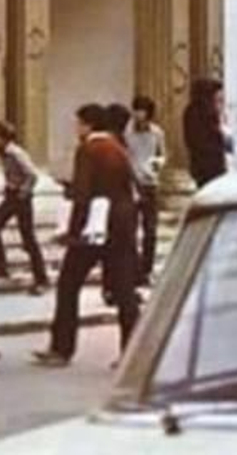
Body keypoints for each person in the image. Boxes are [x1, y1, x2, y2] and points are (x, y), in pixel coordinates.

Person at [34, 103, 140, 367]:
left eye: (78, 124)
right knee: (125, 291)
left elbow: (82, 193)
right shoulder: (119, 148)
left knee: (69, 284)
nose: (76, 129)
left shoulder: (88, 150)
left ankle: (62, 347)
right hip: (123, 225)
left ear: (88, 125)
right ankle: (133, 350)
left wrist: (72, 231)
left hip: (95, 227)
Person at [0, 120, 49, 294]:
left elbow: (33, 174)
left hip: (20, 197)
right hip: (11, 194)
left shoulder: (15, 153)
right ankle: (0, 266)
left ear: (2, 138)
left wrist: (23, 192)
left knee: (28, 238)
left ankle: (41, 277)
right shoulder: (4, 152)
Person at [125, 94, 166, 284]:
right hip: (133, 183)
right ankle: (133, 269)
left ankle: (146, 268)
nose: (139, 115)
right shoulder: (127, 133)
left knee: (150, 230)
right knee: (131, 230)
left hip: (150, 183)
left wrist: (156, 166)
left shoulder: (157, 133)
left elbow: (162, 154)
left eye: (142, 111)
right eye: (136, 110)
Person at [183, 78, 231, 187]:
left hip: (206, 164)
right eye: (217, 98)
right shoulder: (198, 113)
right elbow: (197, 140)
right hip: (208, 164)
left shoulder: (199, 111)